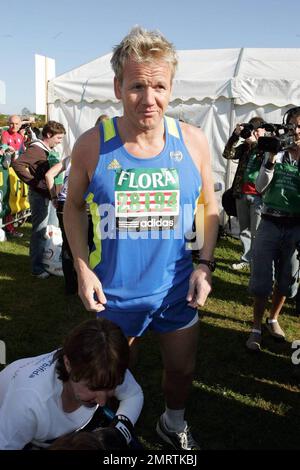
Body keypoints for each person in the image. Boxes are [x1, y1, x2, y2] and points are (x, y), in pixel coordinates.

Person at [64, 26, 219, 450]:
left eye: (158, 86)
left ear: (171, 86)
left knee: (182, 372)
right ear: (118, 87)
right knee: (106, 380)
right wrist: (82, 269)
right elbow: (73, 206)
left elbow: (209, 205)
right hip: (114, 296)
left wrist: (205, 265)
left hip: (176, 291)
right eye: (136, 86)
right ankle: (108, 435)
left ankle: (172, 423)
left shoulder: (193, 141)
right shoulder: (93, 145)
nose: (148, 99)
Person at [0, 318, 143, 450]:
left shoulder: (104, 366)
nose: (102, 401)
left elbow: (133, 394)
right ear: (68, 364)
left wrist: (119, 432)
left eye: (111, 387)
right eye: (93, 387)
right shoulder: (27, 405)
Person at [246, 107, 300, 351]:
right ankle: (256, 326)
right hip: (269, 221)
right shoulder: (276, 153)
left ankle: (273, 318)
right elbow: (259, 188)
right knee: (261, 279)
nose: (296, 131)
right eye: (292, 126)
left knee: (287, 280)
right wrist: (270, 158)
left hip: (295, 225)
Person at [45, 115, 109, 294]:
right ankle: (90, 284)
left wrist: (54, 196)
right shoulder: (99, 155)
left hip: (65, 202)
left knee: (70, 245)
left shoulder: (76, 154)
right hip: (84, 205)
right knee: (91, 246)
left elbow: (49, 175)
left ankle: (71, 286)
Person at [12, 121, 66, 279]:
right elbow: (18, 164)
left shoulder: (47, 149)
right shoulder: (36, 149)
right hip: (39, 196)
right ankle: (36, 267)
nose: (60, 141)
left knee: (50, 230)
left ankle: (48, 261)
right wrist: (35, 182)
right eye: (58, 138)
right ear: (48, 135)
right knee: (40, 231)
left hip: (48, 195)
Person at [223, 117, 266, 270]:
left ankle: (259, 262)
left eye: (257, 130)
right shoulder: (245, 148)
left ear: (264, 130)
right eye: (251, 129)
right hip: (241, 192)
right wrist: (235, 135)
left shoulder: (268, 147)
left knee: (258, 232)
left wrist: (253, 142)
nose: (253, 133)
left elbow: (265, 159)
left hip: (259, 196)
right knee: (244, 230)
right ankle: (246, 259)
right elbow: (227, 153)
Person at [1, 114, 26, 238]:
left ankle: (12, 224)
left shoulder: (21, 136)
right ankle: (9, 228)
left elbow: (22, 152)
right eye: (11, 123)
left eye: (16, 124)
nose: (14, 126)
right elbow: (3, 146)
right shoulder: (5, 134)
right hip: (7, 171)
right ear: (8, 123)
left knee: (17, 197)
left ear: (20, 124)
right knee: (7, 198)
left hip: (17, 171)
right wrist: (6, 148)